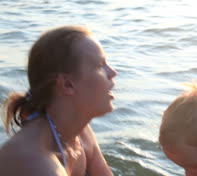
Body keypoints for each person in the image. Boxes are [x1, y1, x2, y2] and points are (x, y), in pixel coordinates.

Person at [0, 25, 117, 176]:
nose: (113, 72)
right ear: (67, 85)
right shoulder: (35, 161)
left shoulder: (80, 133)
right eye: (101, 65)